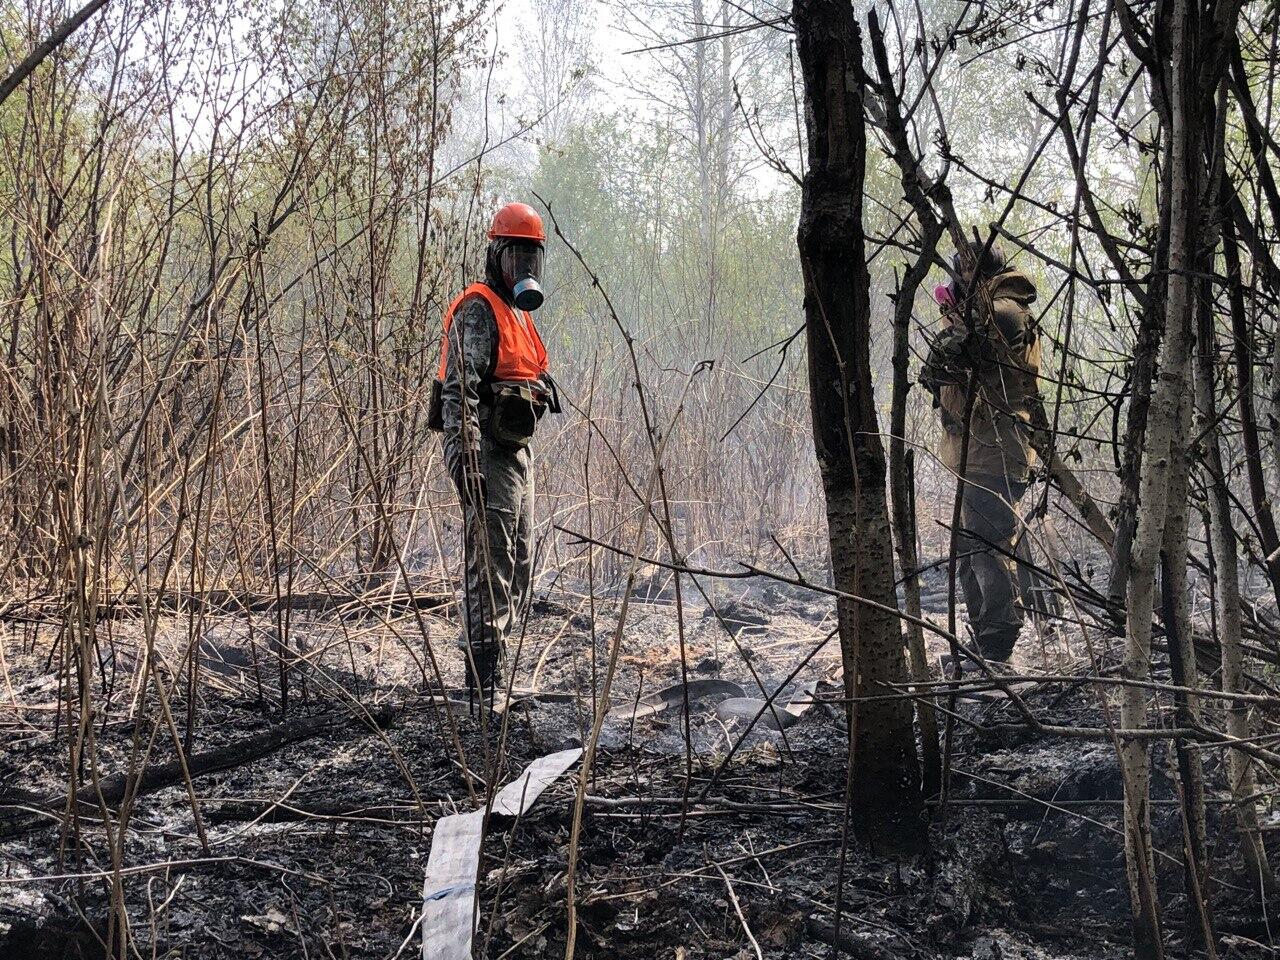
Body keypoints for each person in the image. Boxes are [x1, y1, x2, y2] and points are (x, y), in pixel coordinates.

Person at [429, 202, 559, 699]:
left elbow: (528, 371)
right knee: (492, 561)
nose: (525, 270)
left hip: (517, 450)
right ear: (497, 256)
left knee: (520, 560)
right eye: (516, 258)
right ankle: (483, 686)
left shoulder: (519, 316)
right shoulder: (479, 307)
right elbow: (459, 389)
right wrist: (464, 457)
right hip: (485, 447)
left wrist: (540, 390)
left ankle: (495, 670)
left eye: (533, 259)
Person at [920, 242, 1045, 669]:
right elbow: (937, 374)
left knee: (988, 547)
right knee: (971, 548)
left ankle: (996, 647)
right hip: (976, 452)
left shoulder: (1004, 311)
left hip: (994, 451)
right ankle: (985, 644)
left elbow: (946, 361)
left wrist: (957, 324)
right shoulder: (980, 315)